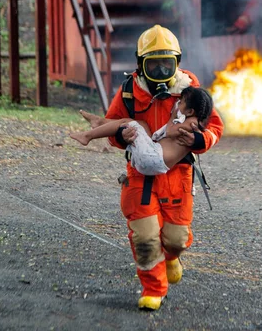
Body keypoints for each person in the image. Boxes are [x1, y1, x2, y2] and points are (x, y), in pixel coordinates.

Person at [105, 24, 224, 311]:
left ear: (177, 64)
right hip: (141, 177)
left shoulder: (192, 92)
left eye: (166, 65)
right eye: (153, 65)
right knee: (145, 237)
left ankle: (171, 257)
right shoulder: (129, 93)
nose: (160, 72)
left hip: (177, 176)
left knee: (176, 239)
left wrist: (199, 139)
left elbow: (215, 127)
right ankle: (153, 289)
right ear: (140, 64)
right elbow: (112, 127)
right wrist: (121, 136)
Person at [69, 86, 214, 175]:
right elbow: (161, 136)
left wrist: (173, 116)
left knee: (131, 123)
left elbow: (169, 132)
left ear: (190, 111)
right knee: (141, 124)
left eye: (180, 102)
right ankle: (100, 122)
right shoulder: (192, 120)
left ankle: (88, 135)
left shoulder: (190, 124)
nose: (177, 103)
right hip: (153, 157)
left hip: (153, 159)